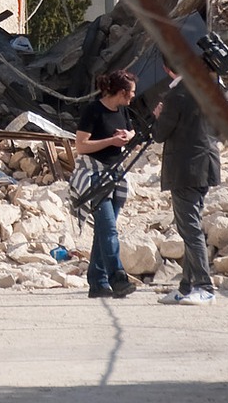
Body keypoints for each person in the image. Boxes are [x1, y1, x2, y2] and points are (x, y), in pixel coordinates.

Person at [150, 63, 220, 305]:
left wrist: (158, 117)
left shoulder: (176, 94)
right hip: (206, 165)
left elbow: (160, 134)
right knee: (192, 225)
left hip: (184, 169)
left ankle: (204, 285)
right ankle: (186, 286)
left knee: (189, 229)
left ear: (167, 68)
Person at [74, 69, 140, 299]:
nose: (133, 96)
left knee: (103, 231)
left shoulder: (122, 110)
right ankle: (117, 277)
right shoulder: (93, 111)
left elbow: (131, 132)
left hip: (116, 176)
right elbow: (81, 145)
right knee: (109, 229)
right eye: (131, 93)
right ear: (121, 92)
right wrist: (111, 141)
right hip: (94, 177)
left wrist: (127, 136)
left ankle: (97, 281)